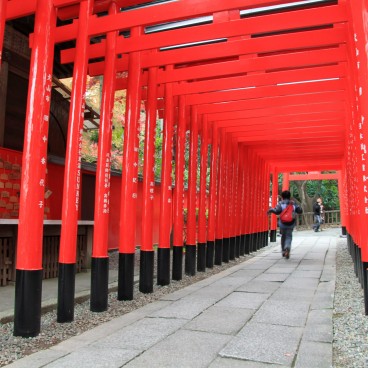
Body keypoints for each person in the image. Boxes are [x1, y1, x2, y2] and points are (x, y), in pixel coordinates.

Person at [267, 190, 303, 259]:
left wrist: (271, 210)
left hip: (283, 223)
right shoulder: (293, 203)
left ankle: (283, 250)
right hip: (291, 223)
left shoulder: (281, 203)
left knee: (283, 236)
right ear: (289, 197)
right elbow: (300, 210)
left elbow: (277, 211)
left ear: (282, 197)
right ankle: (287, 247)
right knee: (289, 236)